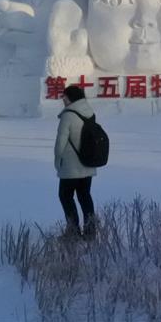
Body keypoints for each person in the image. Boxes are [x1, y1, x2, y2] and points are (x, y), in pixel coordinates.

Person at [56, 85, 97, 238]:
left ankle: (73, 232)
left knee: (65, 196)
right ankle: (90, 232)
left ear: (70, 98)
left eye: (64, 96)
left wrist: (57, 160)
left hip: (70, 166)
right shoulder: (89, 112)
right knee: (85, 196)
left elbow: (61, 142)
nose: (62, 99)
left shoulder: (68, 115)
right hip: (87, 162)